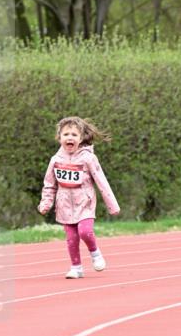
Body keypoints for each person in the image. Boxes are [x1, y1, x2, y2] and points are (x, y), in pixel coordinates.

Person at [38, 116, 120, 278]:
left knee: (85, 232)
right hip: (64, 205)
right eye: (66, 134)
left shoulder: (88, 158)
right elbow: (49, 184)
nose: (70, 137)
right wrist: (46, 202)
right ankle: (76, 267)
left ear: (81, 138)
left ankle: (95, 252)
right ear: (59, 138)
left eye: (74, 135)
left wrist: (112, 205)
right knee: (71, 238)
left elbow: (101, 181)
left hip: (85, 203)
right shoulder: (55, 160)